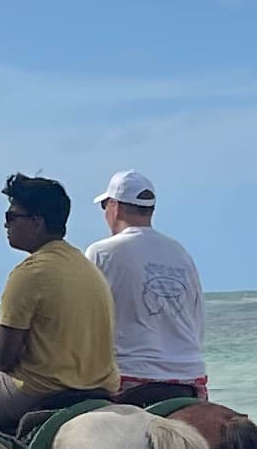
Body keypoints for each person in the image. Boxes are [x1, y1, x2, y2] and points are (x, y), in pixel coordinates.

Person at [0, 173, 116, 431]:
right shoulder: (87, 267)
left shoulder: (29, 273)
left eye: (11, 216)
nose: (6, 225)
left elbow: (4, 360)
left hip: (40, 390)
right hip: (98, 389)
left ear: (36, 222)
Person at [86, 168, 208, 401]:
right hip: (190, 376)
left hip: (130, 376)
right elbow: (198, 321)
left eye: (105, 206)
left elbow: (86, 322)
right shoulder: (180, 252)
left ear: (115, 207)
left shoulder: (101, 253)